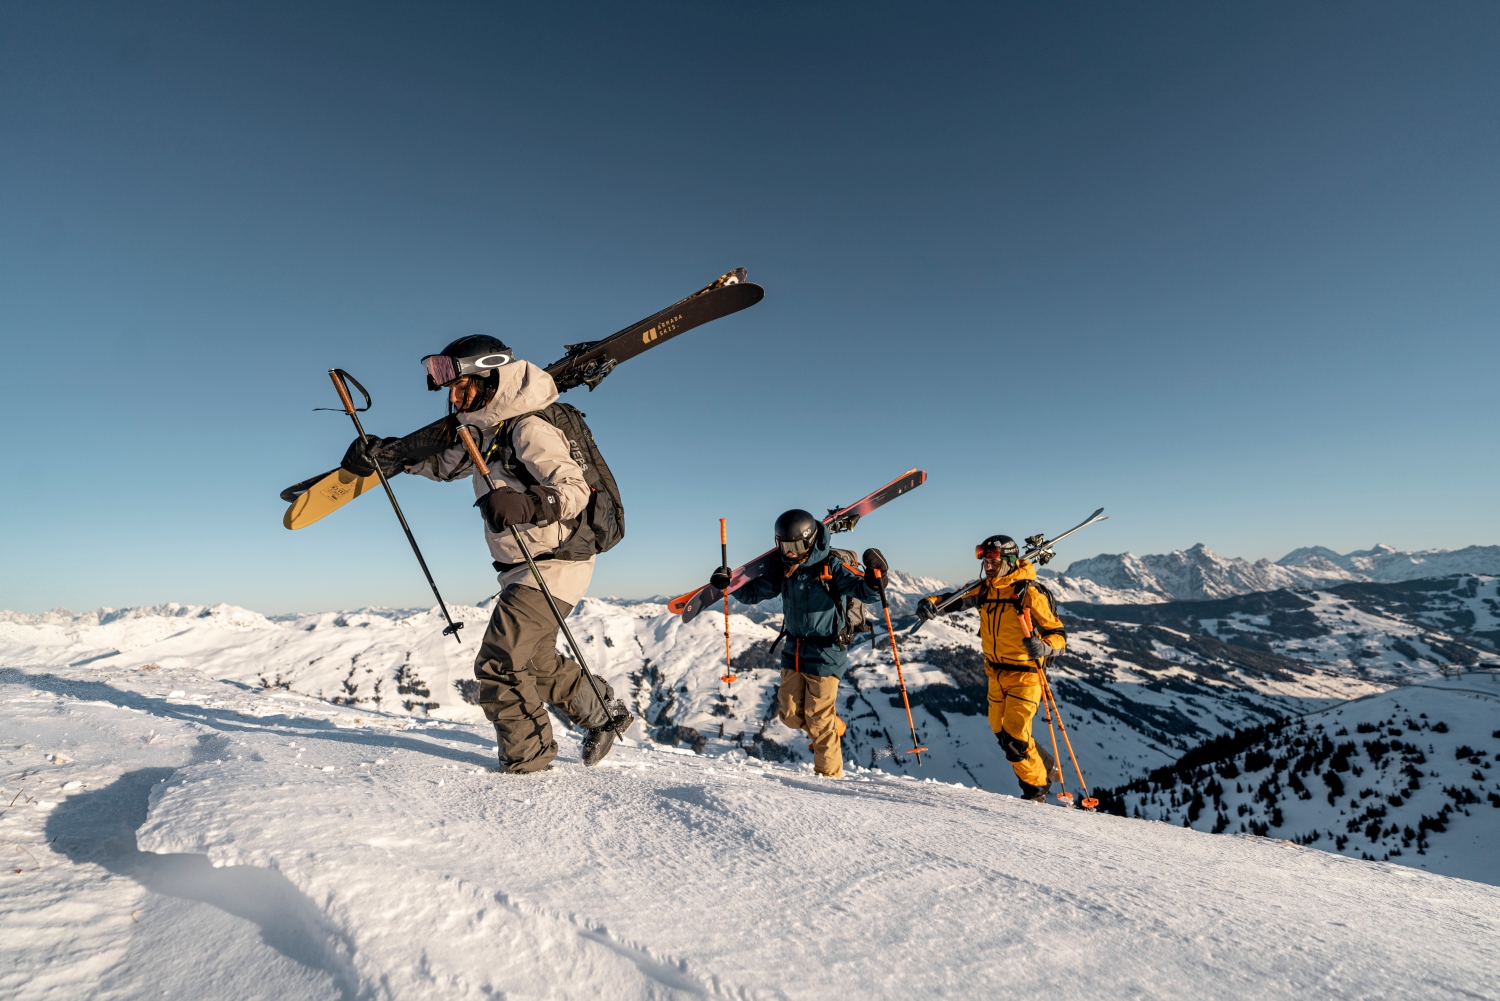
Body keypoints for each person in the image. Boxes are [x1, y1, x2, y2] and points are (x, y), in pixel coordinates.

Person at [339, 334, 631, 773]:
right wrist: (389, 456)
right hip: (524, 566)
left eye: (461, 388)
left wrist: (531, 504)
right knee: (535, 660)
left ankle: (528, 764)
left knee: (499, 663)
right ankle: (604, 715)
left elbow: (573, 491)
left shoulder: (528, 427)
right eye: (450, 391)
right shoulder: (487, 430)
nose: (453, 399)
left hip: (553, 563)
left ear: (490, 378)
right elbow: (445, 465)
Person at [713, 510, 885, 778]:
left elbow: (865, 591)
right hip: (793, 649)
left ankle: (829, 782)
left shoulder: (831, 566)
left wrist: (877, 579)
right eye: (784, 546)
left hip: (826, 651)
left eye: (795, 546)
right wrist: (731, 585)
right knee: (790, 716)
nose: (790, 552)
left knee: (817, 719)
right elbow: (757, 592)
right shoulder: (785, 568)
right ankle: (831, 725)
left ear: (810, 540)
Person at [915, 535, 1066, 801]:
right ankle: (1044, 764)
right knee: (1000, 731)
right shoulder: (985, 589)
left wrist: (1043, 647)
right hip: (995, 674)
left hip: (1025, 675)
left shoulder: (1028, 592)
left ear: (1008, 561)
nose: (989, 566)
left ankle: (1037, 789)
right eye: (986, 561)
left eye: (994, 561)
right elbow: (954, 600)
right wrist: (930, 603)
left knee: (1015, 738)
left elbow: (1058, 636)